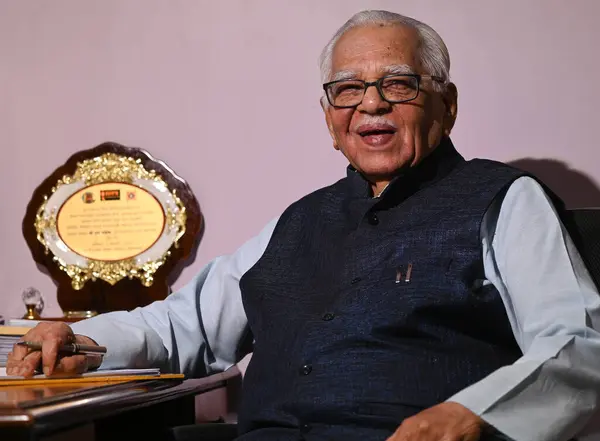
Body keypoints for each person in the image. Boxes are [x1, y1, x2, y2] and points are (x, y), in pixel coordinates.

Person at [7, 9, 600, 441]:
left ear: (446, 105)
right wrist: (83, 342)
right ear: (329, 118)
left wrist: (472, 415)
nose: (370, 104)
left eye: (398, 84)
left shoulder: (505, 199)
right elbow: (187, 326)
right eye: (347, 90)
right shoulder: (297, 222)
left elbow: (577, 345)